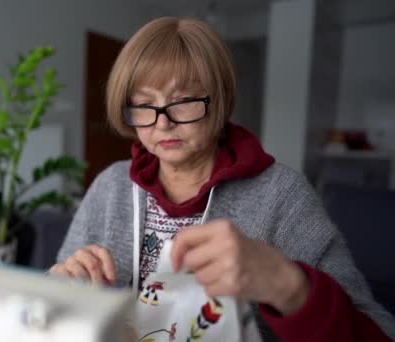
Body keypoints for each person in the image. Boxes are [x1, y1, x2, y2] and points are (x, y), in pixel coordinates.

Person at [50, 17, 395, 341]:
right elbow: (57, 293)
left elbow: (378, 330)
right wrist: (62, 284)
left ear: (219, 102)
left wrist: (289, 288)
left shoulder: (282, 196)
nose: (162, 122)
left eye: (183, 101)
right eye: (143, 104)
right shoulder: (110, 186)